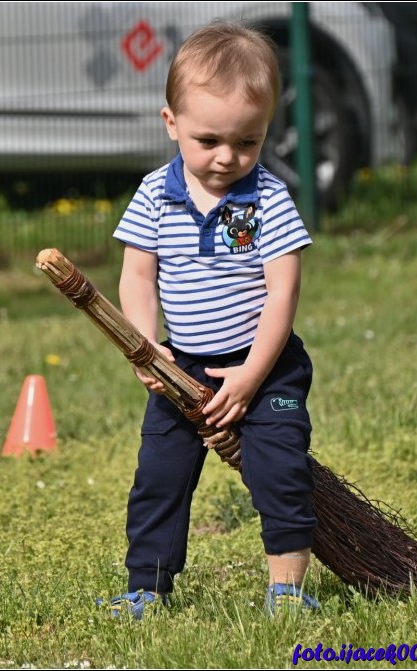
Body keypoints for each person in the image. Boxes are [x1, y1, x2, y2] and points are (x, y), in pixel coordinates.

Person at [99, 21, 319, 619]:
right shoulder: (154, 195)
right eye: (209, 140)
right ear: (171, 123)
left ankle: (287, 590)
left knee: (280, 469)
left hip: (265, 367)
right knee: (159, 477)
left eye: (248, 141)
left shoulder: (269, 198)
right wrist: (146, 346)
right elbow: (137, 277)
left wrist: (251, 376)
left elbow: (283, 292)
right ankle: (147, 587)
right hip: (184, 366)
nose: (228, 157)